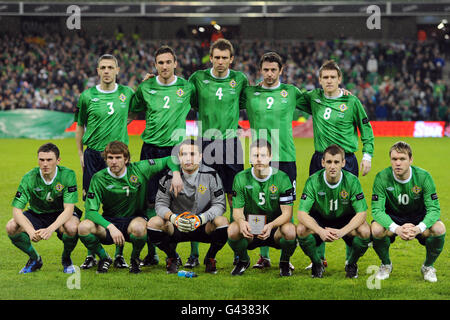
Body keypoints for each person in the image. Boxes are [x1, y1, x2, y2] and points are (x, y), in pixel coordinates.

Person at [299, 60, 375, 269]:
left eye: (333, 77)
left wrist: (367, 156)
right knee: (316, 208)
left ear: (340, 79)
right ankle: (319, 257)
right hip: (320, 158)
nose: (329, 80)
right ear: (320, 80)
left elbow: (366, 129)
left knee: (349, 207)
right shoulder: (313, 97)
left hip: (347, 160)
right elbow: (290, 98)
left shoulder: (352, 102)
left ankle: (351, 259)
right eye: (325, 77)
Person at [129, 45, 195, 267]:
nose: (164, 66)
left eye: (168, 62)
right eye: (160, 63)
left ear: (175, 63)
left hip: (174, 151)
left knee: (175, 201)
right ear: (155, 65)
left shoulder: (187, 87)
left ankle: (177, 254)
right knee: (149, 200)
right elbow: (132, 109)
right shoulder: (146, 86)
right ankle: (152, 253)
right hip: (149, 149)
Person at [186, 39, 248, 268]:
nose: (220, 61)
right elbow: (190, 101)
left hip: (231, 144)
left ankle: (237, 249)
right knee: (198, 198)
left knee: (235, 199)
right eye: (216, 57)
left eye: (225, 57)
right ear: (210, 58)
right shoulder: (197, 78)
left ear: (231, 59)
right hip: (205, 143)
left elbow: (244, 102)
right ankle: (193, 253)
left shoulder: (239, 79)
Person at [77, 141, 182, 274]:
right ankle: (104, 258)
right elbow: (91, 212)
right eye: (110, 158)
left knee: (139, 228)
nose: (114, 162)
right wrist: (110, 227)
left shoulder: (140, 169)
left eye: (118, 157)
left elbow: (170, 159)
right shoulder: (98, 178)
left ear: (126, 159)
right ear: (106, 159)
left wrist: (176, 175)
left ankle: (134, 259)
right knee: (83, 227)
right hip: (110, 221)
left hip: (135, 219)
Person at [241, 52, 304, 269]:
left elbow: (317, 100)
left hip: (285, 157)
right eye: (266, 69)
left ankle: (286, 256)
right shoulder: (249, 92)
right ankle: (264, 255)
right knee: (259, 206)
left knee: (286, 206)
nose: (269, 73)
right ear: (260, 70)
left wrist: (341, 91)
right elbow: (225, 100)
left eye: (273, 70)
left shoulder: (291, 92)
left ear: (281, 70)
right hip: (259, 157)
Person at [75, 54, 135, 269]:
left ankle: (119, 254)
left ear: (117, 70)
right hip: (93, 156)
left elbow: (140, 111)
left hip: (118, 156)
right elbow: (80, 126)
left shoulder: (127, 93)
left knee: (121, 202)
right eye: (103, 67)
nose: (107, 71)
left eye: (111, 67)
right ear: (98, 70)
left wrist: (120, 122)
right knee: (90, 203)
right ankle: (94, 253)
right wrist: (81, 153)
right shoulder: (87, 96)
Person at [147, 139, 228, 274]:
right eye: (184, 154)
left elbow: (220, 204)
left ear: (200, 156)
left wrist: (201, 219)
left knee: (222, 222)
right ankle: (172, 257)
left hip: (202, 224)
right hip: (177, 225)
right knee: (153, 223)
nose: (188, 158)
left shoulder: (211, 175)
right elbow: (160, 205)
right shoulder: (168, 177)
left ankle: (210, 257)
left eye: (192, 154)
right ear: (179, 157)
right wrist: (173, 218)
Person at [371, 141, 445, 282]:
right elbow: (377, 210)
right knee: (376, 229)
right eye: (394, 159)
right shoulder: (381, 177)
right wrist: (396, 228)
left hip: (418, 217)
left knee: (439, 228)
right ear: (390, 160)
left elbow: (434, 209)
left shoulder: (424, 177)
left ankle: (428, 267)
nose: (398, 163)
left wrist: (419, 228)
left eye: (402, 159)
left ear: (410, 160)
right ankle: (386, 264)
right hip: (393, 216)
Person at [296, 144, 371, 278]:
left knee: (365, 231)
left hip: (344, 219)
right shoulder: (313, 181)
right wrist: (320, 231)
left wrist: (343, 231)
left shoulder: (352, 181)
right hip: (321, 219)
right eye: (329, 162)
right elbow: (301, 213)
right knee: (301, 230)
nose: (332, 166)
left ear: (343, 163)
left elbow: (362, 213)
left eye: (336, 162)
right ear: (322, 162)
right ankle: (317, 263)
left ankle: (351, 264)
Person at [6, 143, 81, 274]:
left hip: (61, 212)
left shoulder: (68, 175)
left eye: (49, 160)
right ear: (38, 160)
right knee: (11, 227)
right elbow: (16, 210)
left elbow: (69, 209)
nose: (45, 164)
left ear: (58, 161)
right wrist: (30, 231)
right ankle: (35, 259)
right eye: (41, 160)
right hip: (37, 213)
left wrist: (50, 229)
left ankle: (66, 259)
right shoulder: (29, 177)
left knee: (72, 227)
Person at [227, 139, 297, 277]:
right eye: (255, 155)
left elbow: (287, 213)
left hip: (274, 228)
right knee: (233, 230)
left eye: (263, 155)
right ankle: (243, 260)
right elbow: (237, 211)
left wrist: (271, 226)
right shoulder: (241, 178)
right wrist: (242, 222)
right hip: (251, 229)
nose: (259, 159)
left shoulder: (282, 178)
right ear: (250, 158)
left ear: (270, 157)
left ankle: (284, 262)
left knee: (290, 231)